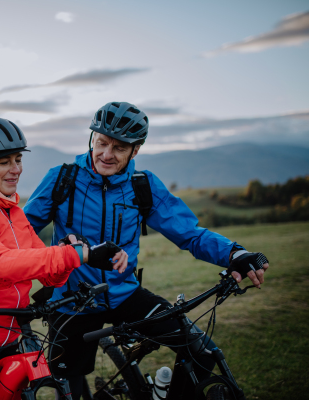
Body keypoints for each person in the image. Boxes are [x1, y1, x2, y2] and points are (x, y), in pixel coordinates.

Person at [23, 102, 270, 400]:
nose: (106, 154)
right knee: (71, 388)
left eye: (119, 147)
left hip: (126, 294)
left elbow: (189, 233)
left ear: (135, 150)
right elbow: (21, 233)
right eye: (101, 143)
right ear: (91, 139)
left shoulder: (144, 186)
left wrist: (233, 254)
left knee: (201, 352)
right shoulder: (62, 179)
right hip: (73, 301)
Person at [0, 117, 127, 400]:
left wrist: (73, 254)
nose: (16, 170)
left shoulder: (12, 212)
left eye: (18, 159)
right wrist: (73, 254)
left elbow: (47, 272)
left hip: (7, 335)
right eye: (4, 162)